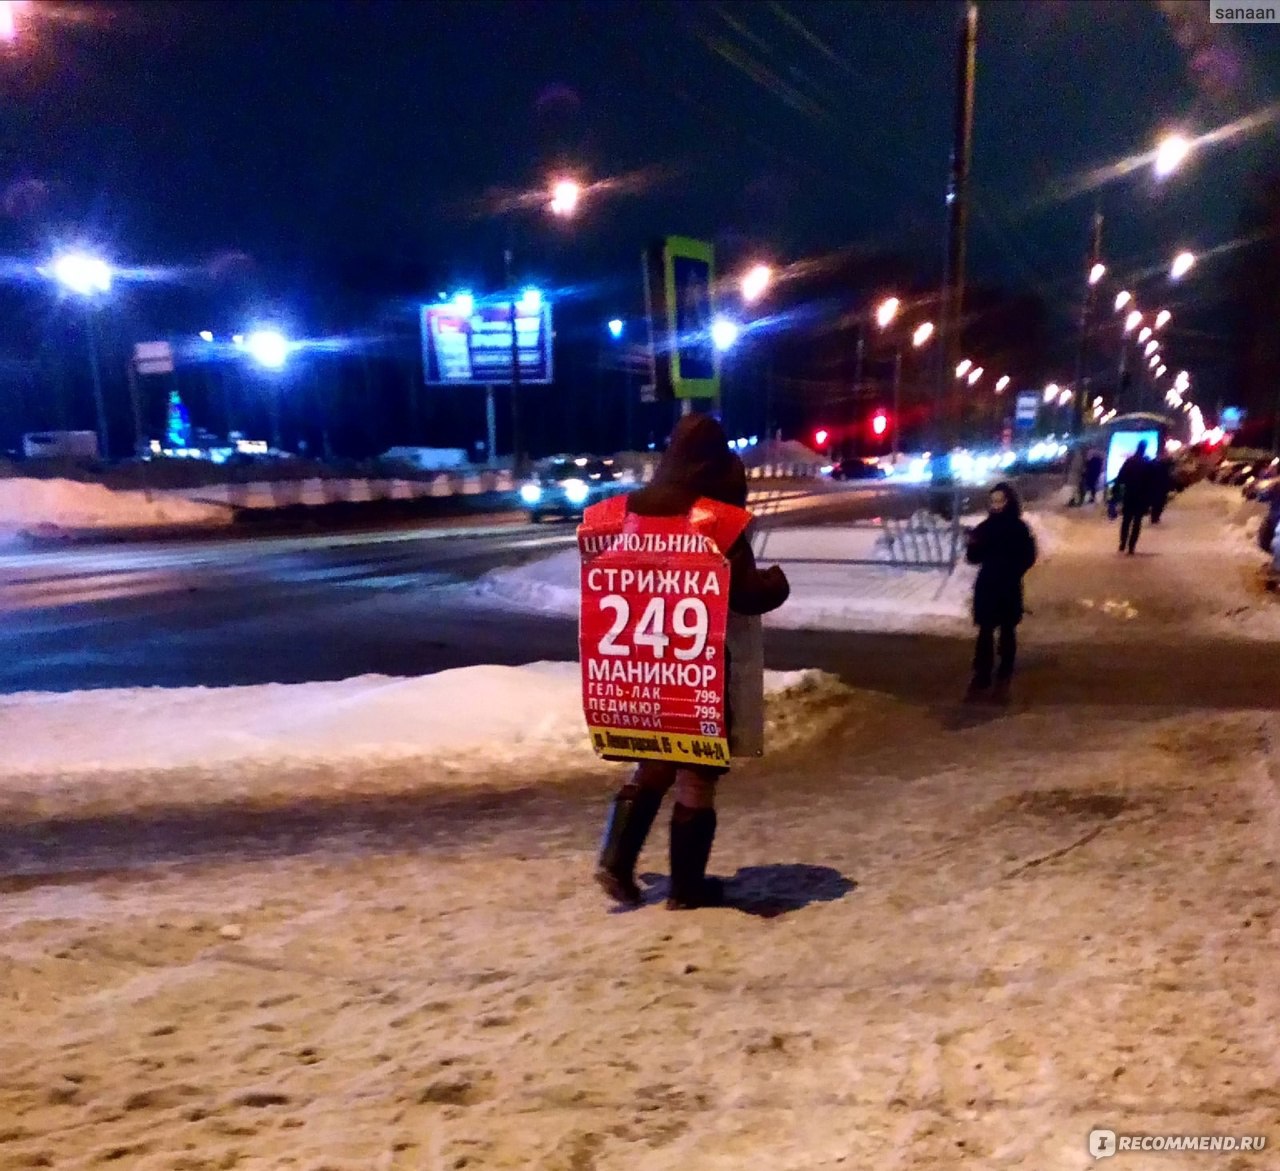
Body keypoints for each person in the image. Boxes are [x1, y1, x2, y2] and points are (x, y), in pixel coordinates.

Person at [593, 415, 790, 910]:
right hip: (694, 663)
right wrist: (776, 583)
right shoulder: (713, 521)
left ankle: (615, 861)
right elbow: (745, 596)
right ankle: (686, 887)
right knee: (697, 774)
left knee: (654, 759)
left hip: (638, 664)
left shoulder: (623, 514)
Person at [965, 481, 1037, 703]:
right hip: (988, 584)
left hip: (1007, 584)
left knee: (1007, 628)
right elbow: (973, 558)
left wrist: (1013, 572)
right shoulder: (984, 528)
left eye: (1000, 500)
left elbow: (1028, 556)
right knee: (985, 630)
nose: (996, 505)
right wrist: (973, 544)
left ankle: (1005, 667)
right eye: (993, 500)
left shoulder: (1019, 528)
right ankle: (983, 672)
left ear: (1009, 501)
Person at [1115, 441, 1153, 554]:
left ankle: (1123, 543)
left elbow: (1120, 477)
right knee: (1137, 522)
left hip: (1129, 495)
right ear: (1144, 449)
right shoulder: (1146, 463)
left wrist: (1117, 492)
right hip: (1141, 497)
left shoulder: (1129, 461)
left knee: (1126, 520)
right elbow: (1149, 482)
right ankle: (1131, 546)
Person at [1148, 453, 1174, 524]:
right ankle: (1156, 517)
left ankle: (1154, 517)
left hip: (1156, 487)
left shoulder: (1154, 466)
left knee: (1156, 502)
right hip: (1162, 488)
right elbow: (1168, 478)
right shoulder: (1165, 468)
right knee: (1160, 503)